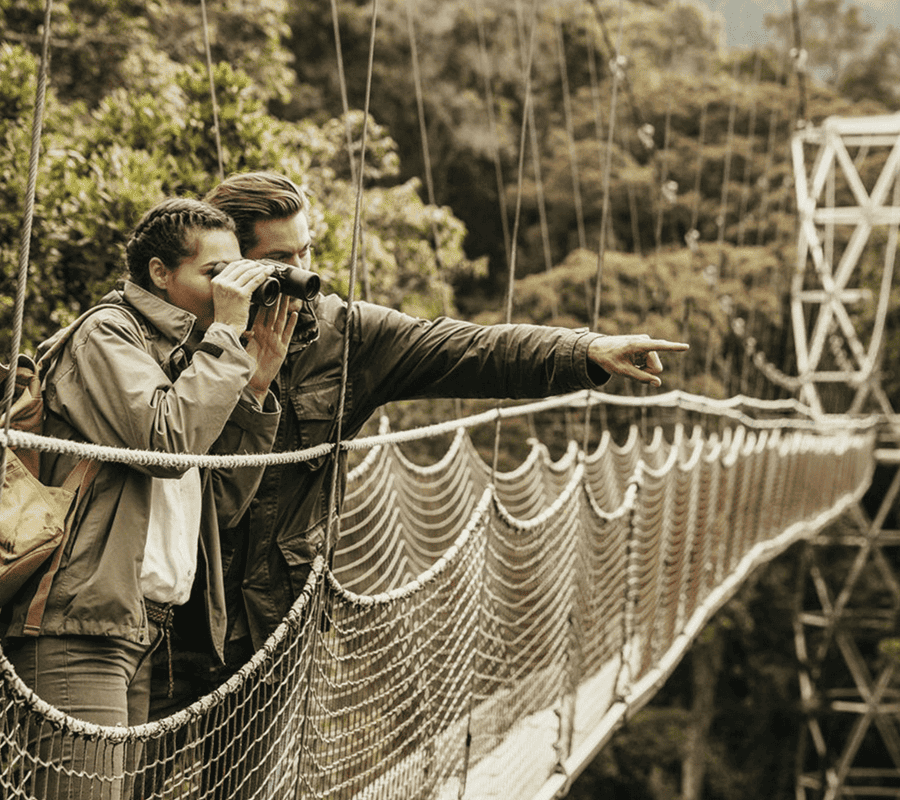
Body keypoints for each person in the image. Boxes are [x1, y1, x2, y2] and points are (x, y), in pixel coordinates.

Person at [199, 170, 690, 674]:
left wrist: (586, 351)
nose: (303, 273)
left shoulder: (344, 338)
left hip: (280, 626)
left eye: (306, 251)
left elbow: (472, 349)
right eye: (280, 260)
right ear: (228, 263)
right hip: (182, 623)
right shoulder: (180, 334)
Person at [0, 197, 297, 798]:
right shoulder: (106, 333)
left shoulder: (191, 355)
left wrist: (255, 386)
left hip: (147, 627)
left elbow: (220, 504)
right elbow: (165, 437)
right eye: (213, 274)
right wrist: (226, 343)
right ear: (161, 273)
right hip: (80, 624)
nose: (227, 289)